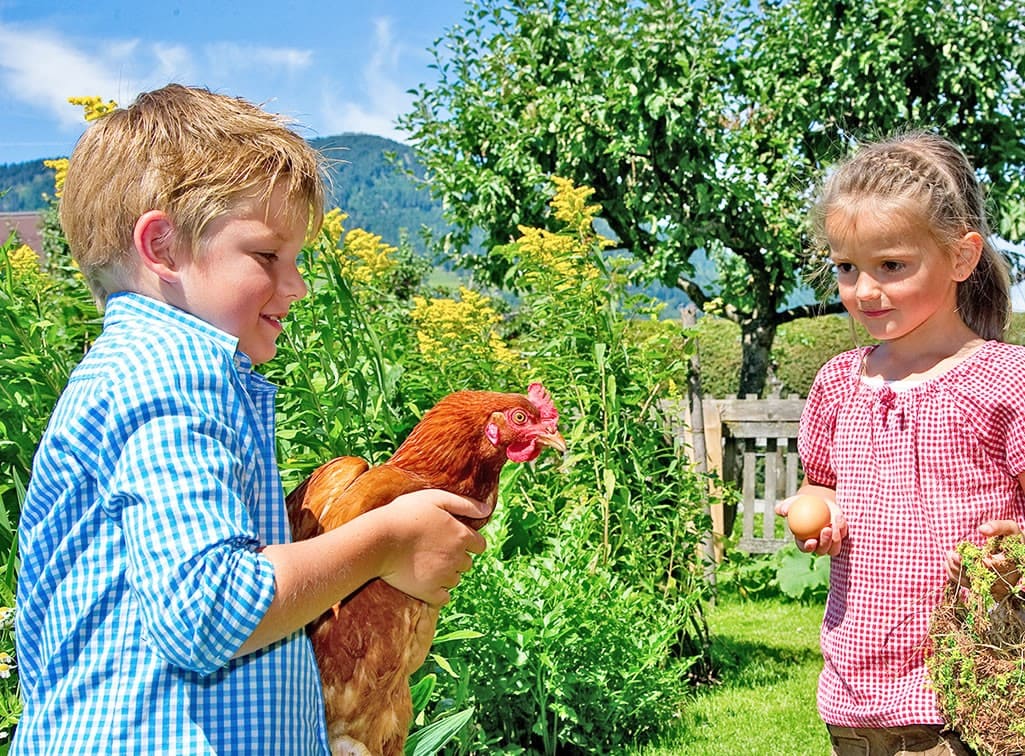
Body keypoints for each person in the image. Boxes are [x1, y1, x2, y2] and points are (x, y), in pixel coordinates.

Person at [12, 84, 488, 754]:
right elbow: (209, 610)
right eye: (267, 256)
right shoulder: (166, 377)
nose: (296, 285)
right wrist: (386, 540)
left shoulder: (160, 375)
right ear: (162, 247)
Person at [776, 131, 1025, 756]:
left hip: (970, 691)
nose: (864, 290)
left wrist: (1015, 552)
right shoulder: (839, 382)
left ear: (962, 257)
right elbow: (821, 482)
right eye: (847, 267)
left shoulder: (1006, 381)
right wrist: (818, 511)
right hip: (855, 691)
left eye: (891, 266)